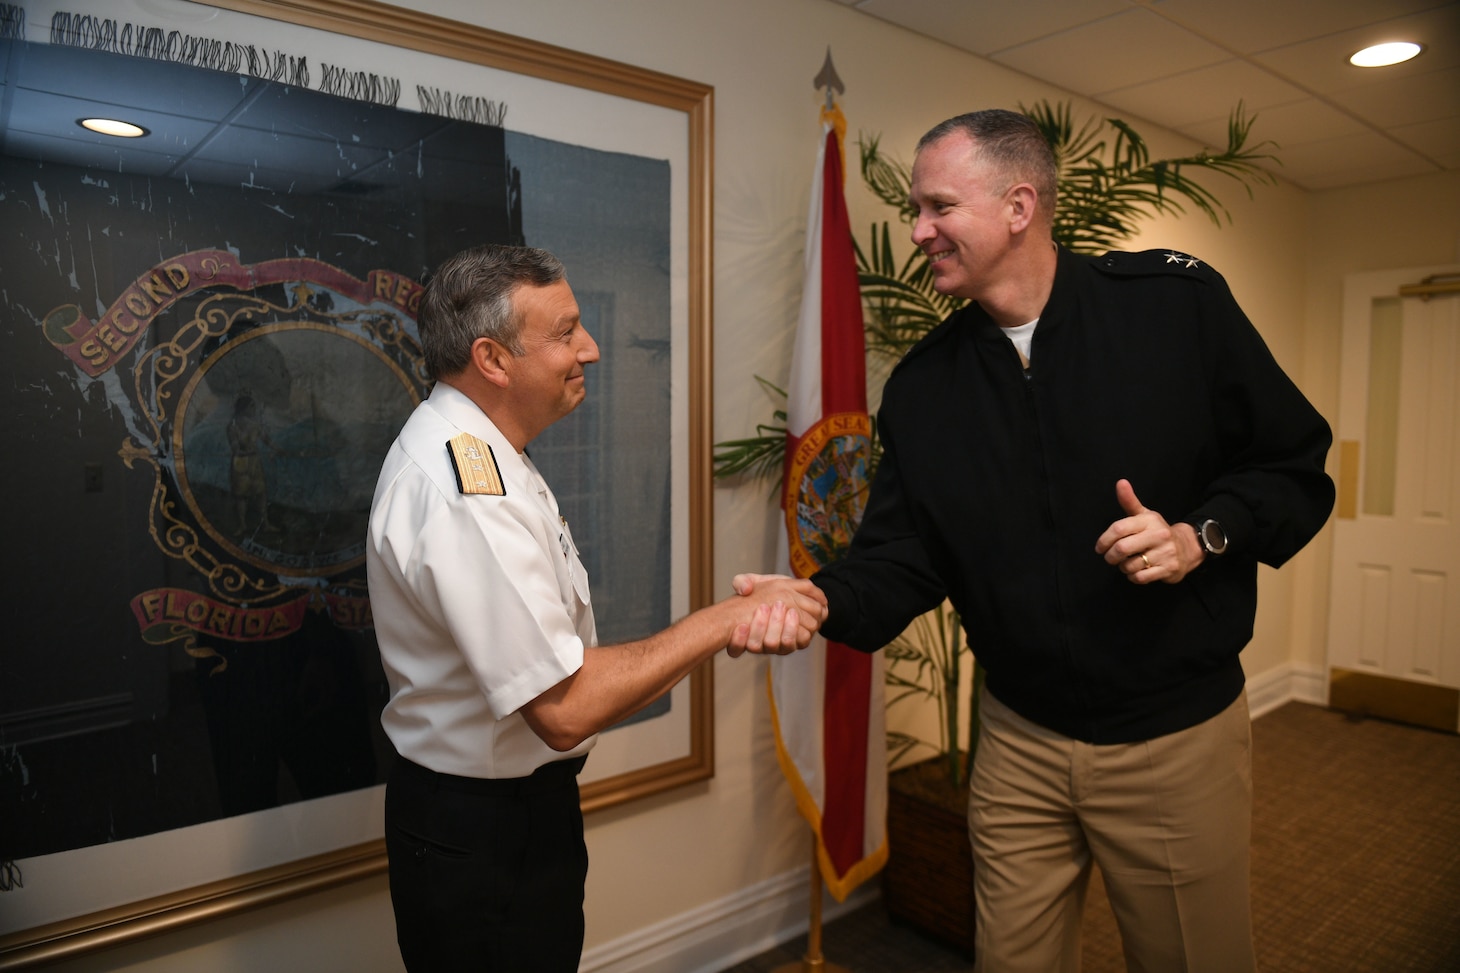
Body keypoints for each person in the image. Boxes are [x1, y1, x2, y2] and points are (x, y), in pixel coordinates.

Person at [744, 110, 1334, 971]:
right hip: (1016, 744)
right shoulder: (923, 388)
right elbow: (905, 555)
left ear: (1019, 205)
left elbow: (1293, 465)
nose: (917, 232)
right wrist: (823, 595)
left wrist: (1199, 537)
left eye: (939, 206)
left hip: (1171, 742)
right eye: (916, 210)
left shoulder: (1176, 309)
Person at [366, 243, 827, 973]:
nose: (592, 347)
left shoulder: (482, 450)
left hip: (503, 814)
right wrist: (726, 619)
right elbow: (565, 707)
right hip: (484, 833)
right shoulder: (466, 488)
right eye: (565, 331)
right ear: (493, 358)